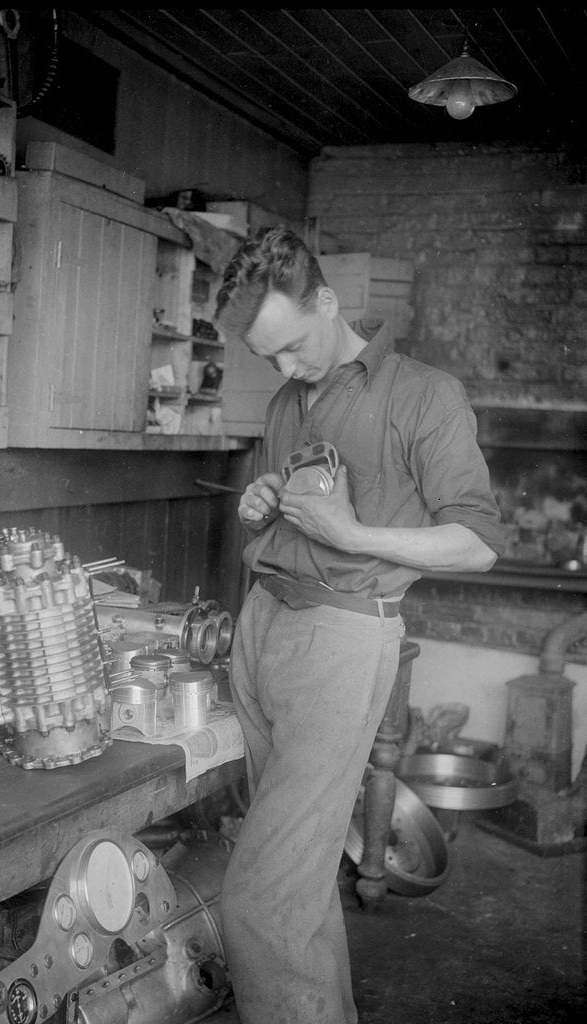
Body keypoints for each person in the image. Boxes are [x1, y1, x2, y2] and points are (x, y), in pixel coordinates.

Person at [213, 227, 505, 1024]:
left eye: (293, 346)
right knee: (299, 884)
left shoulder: (423, 394)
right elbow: (288, 508)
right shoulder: (286, 402)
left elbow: (479, 543)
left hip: (340, 641)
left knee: (259, 901)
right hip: (262, 628)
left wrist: (354, 534)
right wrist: (261, 505)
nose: (285, 369)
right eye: (268, 357)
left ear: (327, 302)